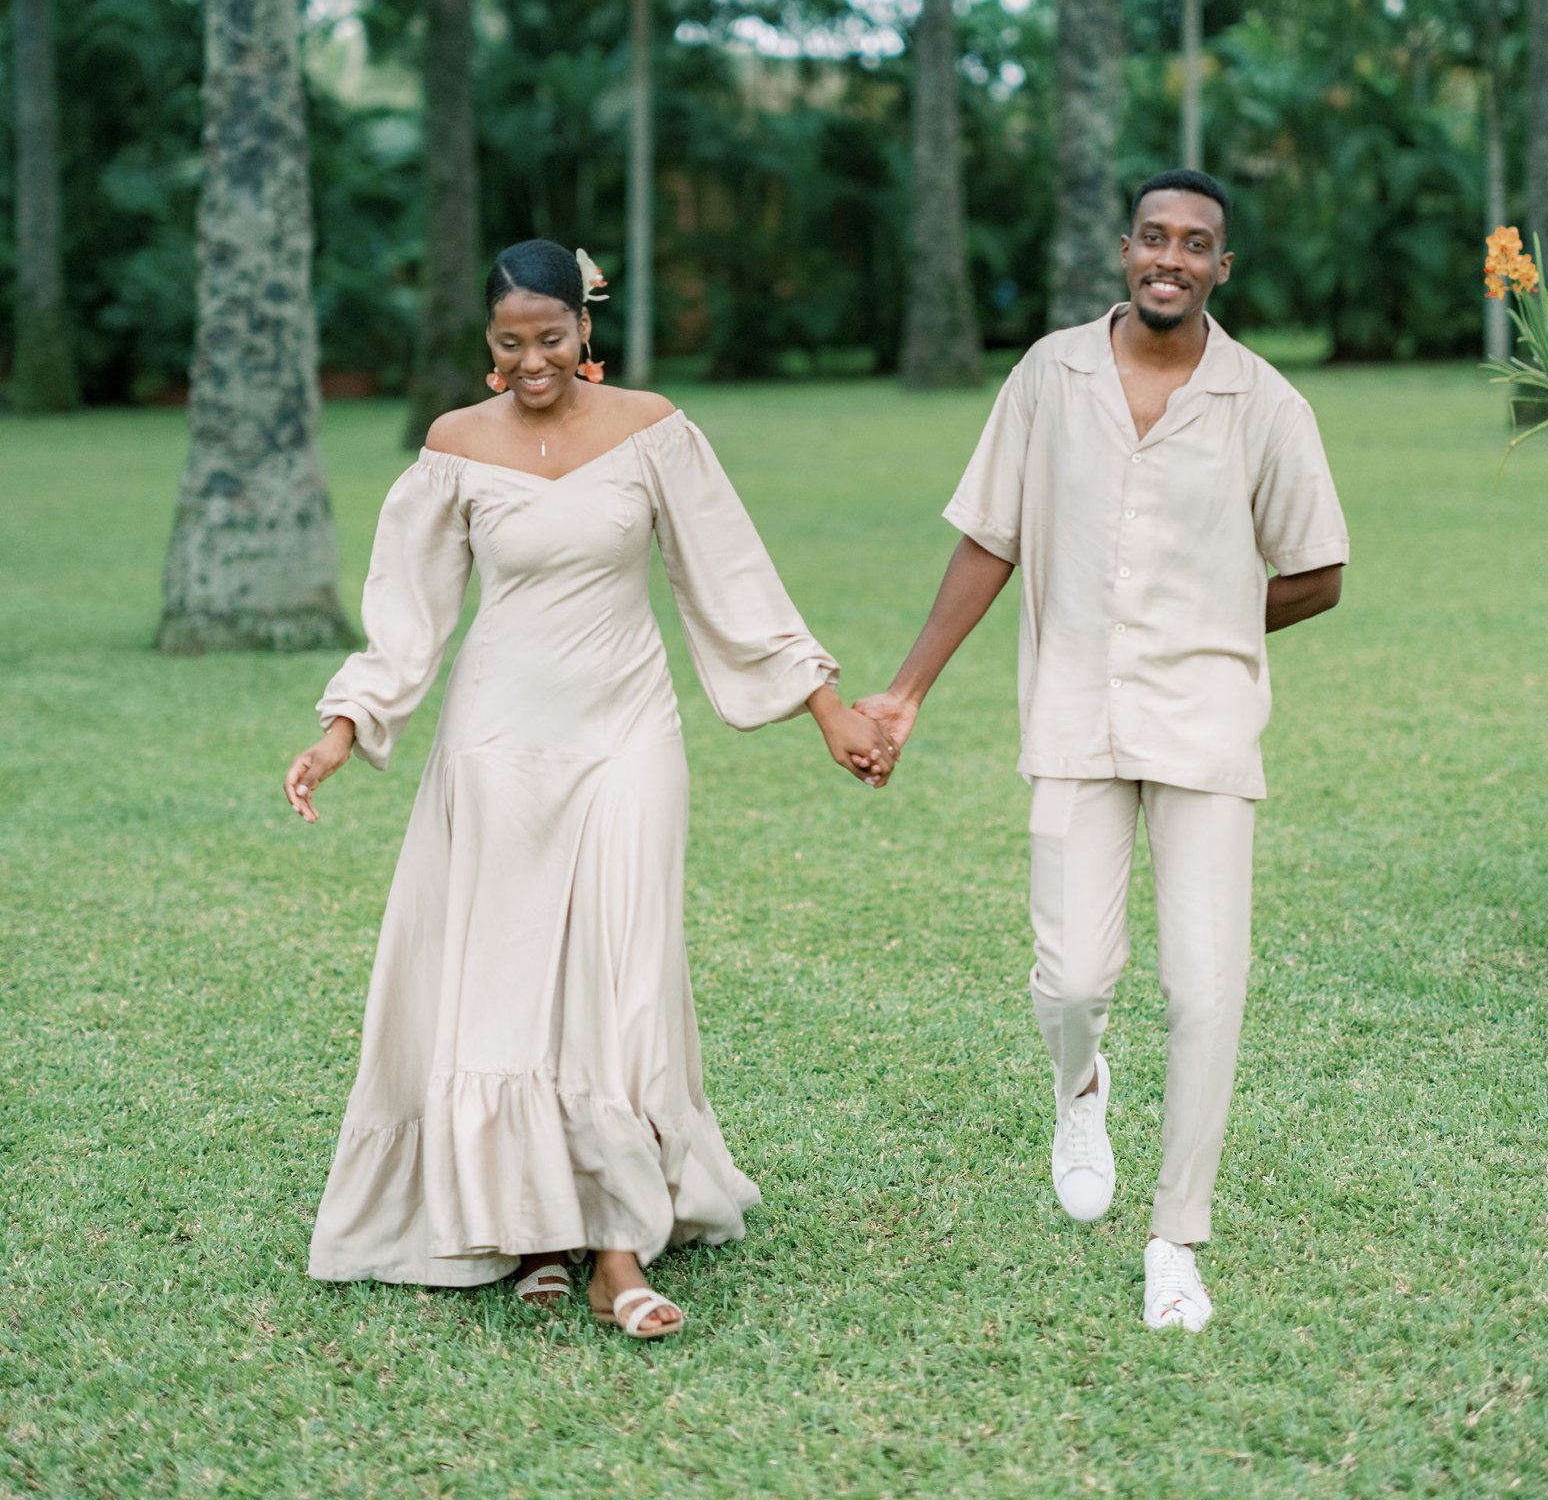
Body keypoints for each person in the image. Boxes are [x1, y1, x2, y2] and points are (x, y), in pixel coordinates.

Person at [284, 239, 892, 1341]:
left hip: (626, 729)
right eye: (509, 343)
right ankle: (533, 1230)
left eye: (550, 339)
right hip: (498, 739)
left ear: (585, 328)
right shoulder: (453, 448)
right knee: (507, 981)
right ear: (487, 342)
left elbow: (733, 579)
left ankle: (615, 1249)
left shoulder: (653, 430)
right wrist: (342, 731)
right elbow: (407, 614)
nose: (531, 362)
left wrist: (826, 708)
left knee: (625, 974)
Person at [857, 170, 1347, 1332]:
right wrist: (907, 690)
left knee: (1204, 988)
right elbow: (991, 538)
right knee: (1073, 976)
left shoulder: (1263, 403)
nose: (1170, 257)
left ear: (1223, 267)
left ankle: (1176, 1237)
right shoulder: (1049, 374)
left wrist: (1217, 625)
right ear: (1126, 250)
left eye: (1197, 244)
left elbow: (1318, 571)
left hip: (1205, 724)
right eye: (1153, 237)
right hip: (1075, 714)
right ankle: (1079, 1084)